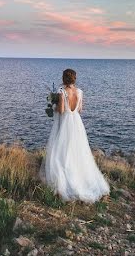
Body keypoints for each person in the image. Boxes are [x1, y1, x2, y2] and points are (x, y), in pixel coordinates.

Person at [41, 68, 110, 202]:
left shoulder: (62, 92)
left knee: (62, 149)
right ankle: (81, 176)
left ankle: (65, 179)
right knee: (78, 150)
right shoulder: (79, 92)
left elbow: (60, 111)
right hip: (76, 123)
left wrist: (54, 106)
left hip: (66, 122)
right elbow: (80, 109)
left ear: (63, 79)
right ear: (74, 79)